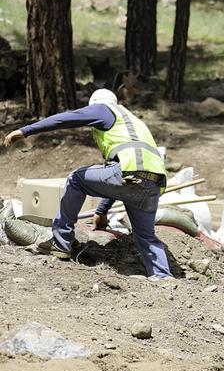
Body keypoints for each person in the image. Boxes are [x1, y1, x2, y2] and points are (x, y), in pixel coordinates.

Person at [3, 88, 172, 279]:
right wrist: (101, 211)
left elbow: (67, 118)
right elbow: (120, 177)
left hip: (128, 174)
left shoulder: (103, 109)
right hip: (152, 184)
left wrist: (26, 131)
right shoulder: (134, 121)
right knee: (146, 236)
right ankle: (163, 278)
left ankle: (61, 242)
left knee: (76, 179)